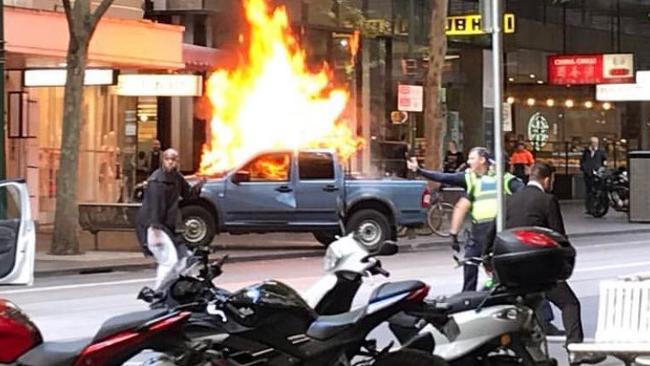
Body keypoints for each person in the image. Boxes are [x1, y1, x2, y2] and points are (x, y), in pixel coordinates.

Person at [485, 163, 605, 366]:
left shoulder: (510, 200)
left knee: (524, 308)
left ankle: (534, 354)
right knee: (569, 304)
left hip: (512, 269)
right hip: (538, 267)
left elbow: (492, 230)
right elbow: (558, 235)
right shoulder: (547, 200)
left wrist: (486, 259)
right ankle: (575, 350)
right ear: (547, 179)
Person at [407, 147, 524, 292]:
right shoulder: (470, 178)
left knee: (499, 268)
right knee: (470, 262)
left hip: (499, 231)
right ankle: (468, 296)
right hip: (479, 231)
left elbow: (525, 198)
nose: (468, 162)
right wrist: (419, 170)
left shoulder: (507, 180)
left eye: (472, 158)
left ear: (482, 160)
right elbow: (444, 177)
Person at [135, 148, 204, 289]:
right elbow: (154, 207)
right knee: (168, 261)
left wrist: (199, 185)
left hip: (168, 227)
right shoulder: (156, 181)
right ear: (163, 160)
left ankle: (171, 289)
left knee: (184, 258)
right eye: (168, 159)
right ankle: (159, 292)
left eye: (173, 159)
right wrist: (155, 230)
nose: (170, 162)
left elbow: (188, 195)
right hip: (155, 227)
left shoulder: (176, 177)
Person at [580, 137, 607, 212]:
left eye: (596, 143)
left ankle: (597, 207)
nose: (595, 144)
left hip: (597, 174)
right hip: (588, 174)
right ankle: (589, 208)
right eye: (593, 143)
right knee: (588, 191)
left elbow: (604, 161)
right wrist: (584, 168)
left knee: (597, 191)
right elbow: (582, 161)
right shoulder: (586, 151)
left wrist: (601, 169)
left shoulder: (601, 152)